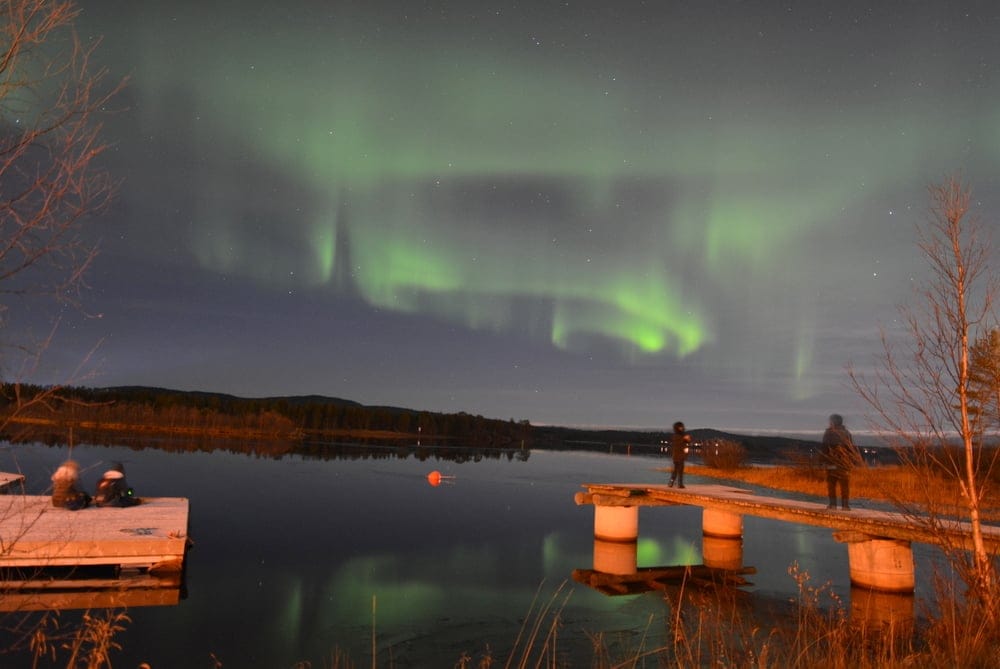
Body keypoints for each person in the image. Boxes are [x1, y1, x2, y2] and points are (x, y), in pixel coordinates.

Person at [821, 413, 860, 510]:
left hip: (832, 463)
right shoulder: (847, 433)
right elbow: (851, 449)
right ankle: (845, 506)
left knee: (831, 484)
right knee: (844, 485)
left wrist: (823, 462)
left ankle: (833, 505)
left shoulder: (829, 433)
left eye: (830, 421)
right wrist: (851, 462)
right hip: (844, 463)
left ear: (833, 422)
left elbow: (824, 449)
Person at [669, 421, 691, 488]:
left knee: (677, 470)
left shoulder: (680, 436)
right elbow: (680, 443)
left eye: (682, 427)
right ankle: (679, 484)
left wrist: (687, 439)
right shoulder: (677, 436)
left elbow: (687, 442)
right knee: (679, 470)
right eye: (680, 427)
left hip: (679, 455)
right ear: (677, 428)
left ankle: (672, 483)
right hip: (678, 455)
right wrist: (685, 439)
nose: (682, 428)